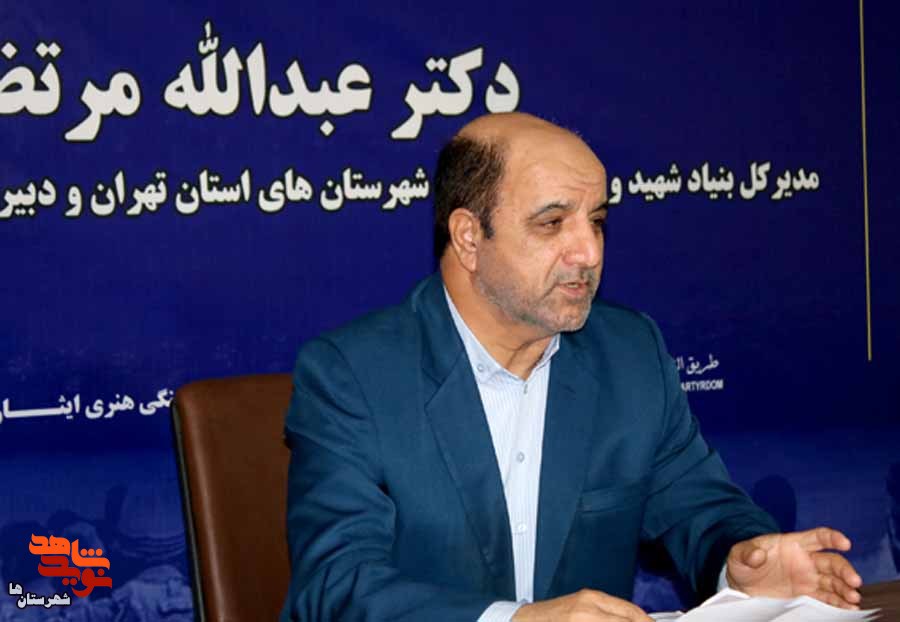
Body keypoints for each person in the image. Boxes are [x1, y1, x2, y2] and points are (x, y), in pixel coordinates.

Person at [280, 112, 863, 621]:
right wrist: (517, 621)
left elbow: (698, 505)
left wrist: (740, 559)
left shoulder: (629, 353)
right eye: (552, 223)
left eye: (598, 221)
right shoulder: (353, 375)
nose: (589, 252)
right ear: (469, 238)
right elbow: (336, 586)